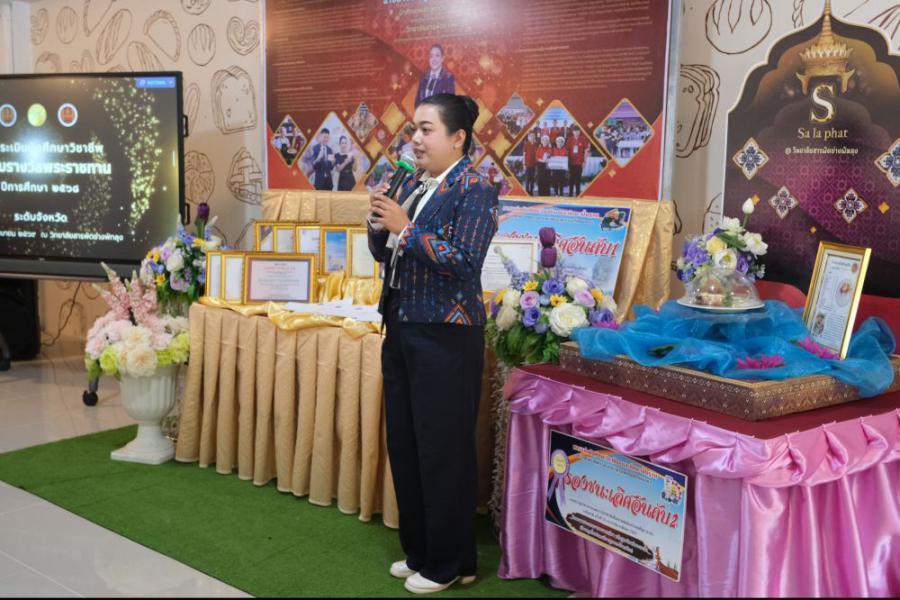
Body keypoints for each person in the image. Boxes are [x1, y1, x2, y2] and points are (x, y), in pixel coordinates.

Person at [367, 93, 498, 595]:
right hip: (402, 326)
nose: (415, 140)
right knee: (407, 443)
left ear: (458, 137)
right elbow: (389, 253)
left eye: (426, 130)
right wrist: (379, 225)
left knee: (442, 449)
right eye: (413, 130)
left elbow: (463, 262)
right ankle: (421, 551)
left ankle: (450, 563)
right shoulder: (416, 183)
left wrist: (406, 227)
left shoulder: (475, 187)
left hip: (446, 334)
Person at [566, 128, 590, 196]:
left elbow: (586, 151)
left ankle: (577, 194)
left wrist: (584, 161)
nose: (576, 132)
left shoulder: (583, 139)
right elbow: (566, 151)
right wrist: (566, 163)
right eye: (575, 131)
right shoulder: (570, 139)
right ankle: (570, 194)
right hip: (571, 163)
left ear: (579, 132)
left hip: (580, 163)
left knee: (578, 179)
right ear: (573, 132)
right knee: (571, 179)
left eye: (577, 131)